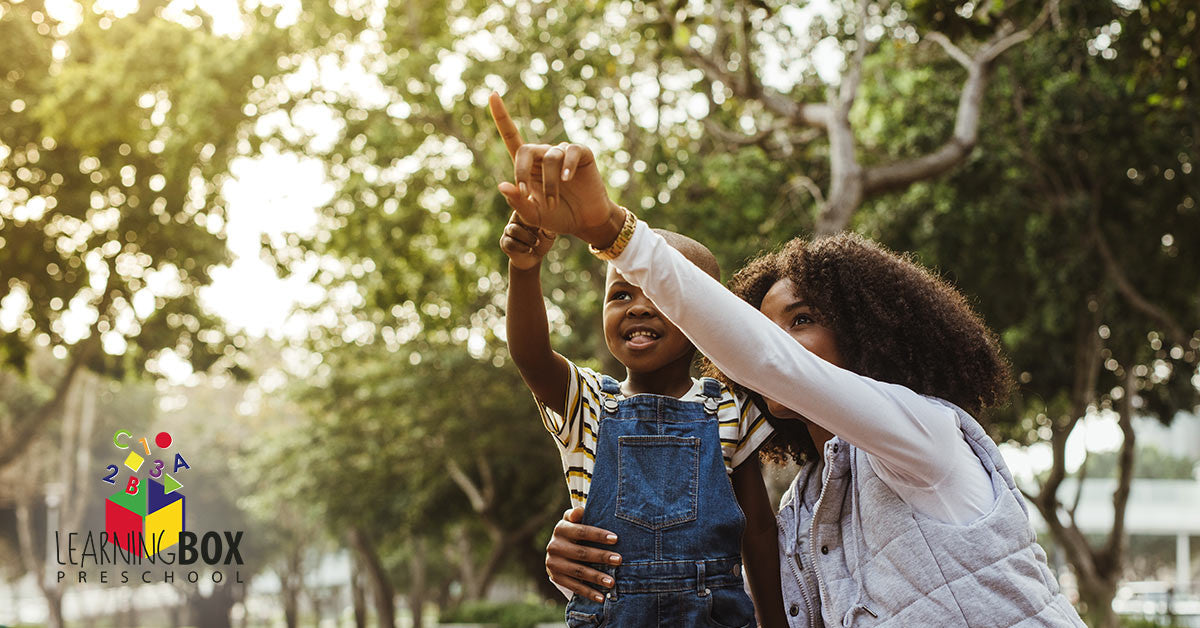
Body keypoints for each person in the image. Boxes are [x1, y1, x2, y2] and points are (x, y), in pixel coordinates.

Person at [488, 93, 1088, 627]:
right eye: (765, 327)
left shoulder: (922, 434)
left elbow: (770, 364)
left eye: (800, 320)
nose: (771, 346)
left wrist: (611, 228)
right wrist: (581, 561)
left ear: (865, 331)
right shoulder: (804, 508)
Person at [492, 98, 787, 627]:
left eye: (659, 293)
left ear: (705, 316)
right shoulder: (586, 401)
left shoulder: (730, 405)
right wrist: (525, 269)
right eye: (621, 294)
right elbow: (530, 355)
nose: (640, 306)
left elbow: (758, 530)